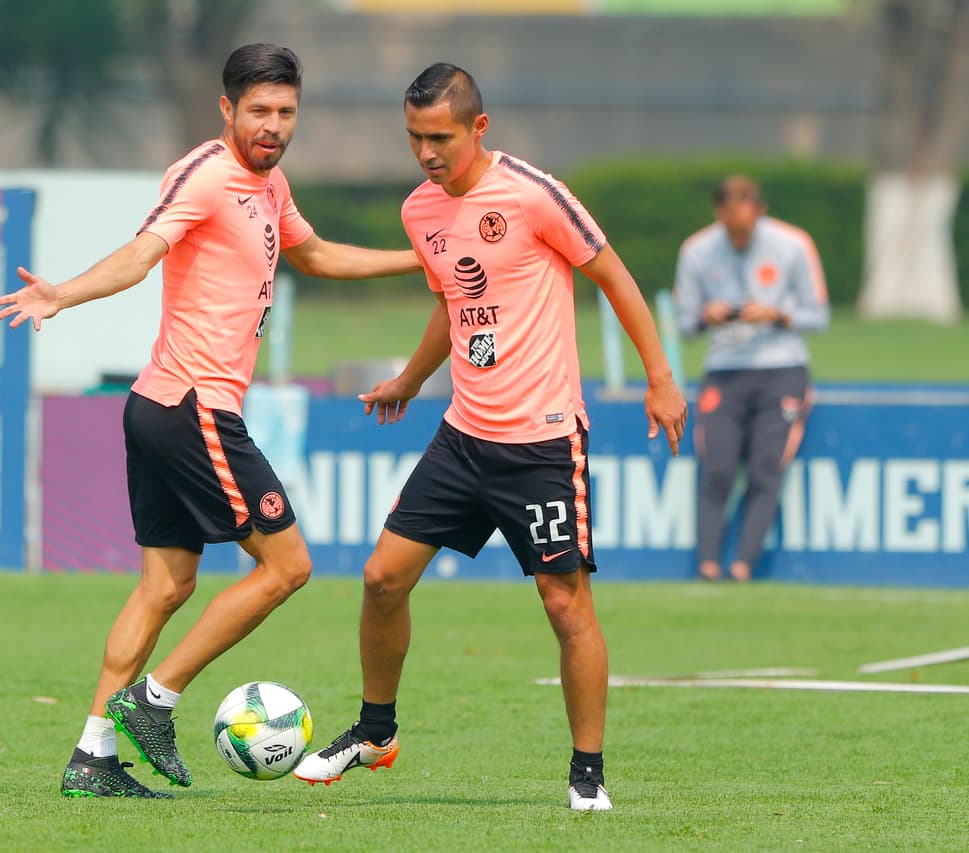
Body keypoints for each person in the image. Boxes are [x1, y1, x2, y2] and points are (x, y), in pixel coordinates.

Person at [0, 43, 421, 800]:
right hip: (194, 409)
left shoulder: (271, 184)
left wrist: (418, 258)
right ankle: (154, 701)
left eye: (286, 112)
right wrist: (65, 294)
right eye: (259, 111)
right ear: (227, 110)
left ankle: (93, 754)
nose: (274, 125)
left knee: (164, 585)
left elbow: (314, 256)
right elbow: (140, 254)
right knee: (288, 565)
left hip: (162, 409)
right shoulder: (205, 174)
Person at [292, 63, 687, 812]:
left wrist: (660, 375)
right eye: (413, 137)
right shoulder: (421, 210)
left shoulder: (535, 195)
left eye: (439, 136)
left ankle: (588, 775)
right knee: (382, 578)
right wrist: (411, 379)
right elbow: (453, 302)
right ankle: (377, 732)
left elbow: (615, 277)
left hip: (541, 443)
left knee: (566, 605)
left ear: (479, 127)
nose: (426, 152)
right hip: (463, 437)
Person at [673, 175, 829, 582]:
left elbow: (819, 315)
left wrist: (776, 314)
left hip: (781, 367)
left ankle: (744, 563)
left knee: (765, 470)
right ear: (718, 216)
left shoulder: (793, 244)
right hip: (724, 368)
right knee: (718, 468)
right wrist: (704, 316)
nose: (737, 235)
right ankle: (707, 562)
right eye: (729, 227)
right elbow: (683, 324)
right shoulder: (697, 250)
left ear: (759, 211)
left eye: (744, 227)